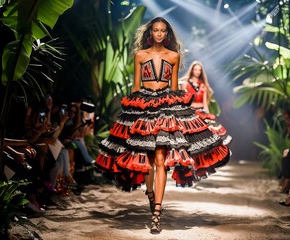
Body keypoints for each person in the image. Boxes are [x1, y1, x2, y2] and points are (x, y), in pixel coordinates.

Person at [95, 17, 230, 234]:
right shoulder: (141, 55)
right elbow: (136, 86)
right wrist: (132, 113)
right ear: (151, 33)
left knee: (160, 159)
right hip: (144, 106)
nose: (159, 34)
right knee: (147, 159)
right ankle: (150, 194)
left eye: (163, 31)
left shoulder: (174, 56)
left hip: (166, 107)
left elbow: (175, 87)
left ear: (167, 34)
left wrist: (180, 111)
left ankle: (157, 213)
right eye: (156, 30)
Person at [180, 61, 232, 145]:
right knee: (193, 137)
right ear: (192, 70)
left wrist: (208, 113)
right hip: (191, 112)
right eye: (195, 69)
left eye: (199, 70)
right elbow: (185, 101)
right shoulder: (185, 84)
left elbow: (205, 103)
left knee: (211, 134)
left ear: (201, 72)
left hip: (202, 112)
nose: (197, 72)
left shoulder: (203, 85)